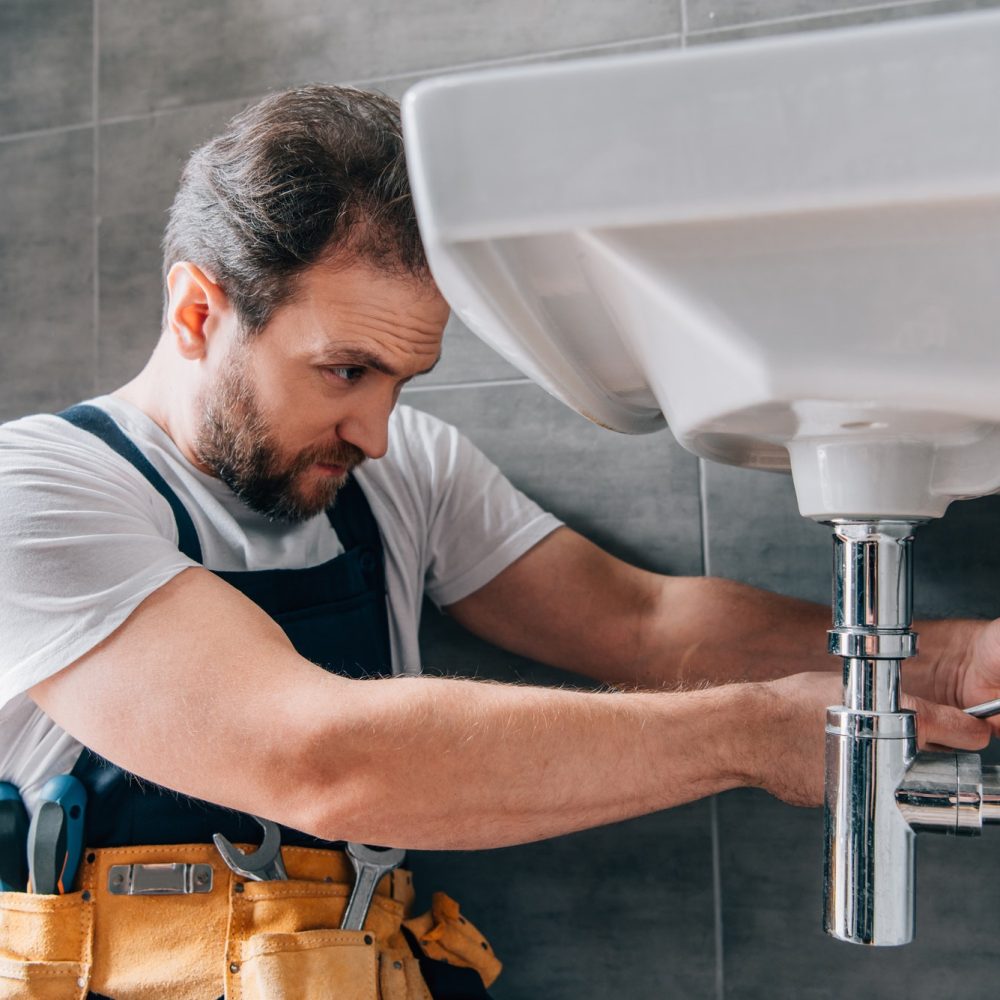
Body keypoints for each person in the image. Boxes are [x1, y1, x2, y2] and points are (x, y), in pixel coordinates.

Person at [0, 84, 995, 999]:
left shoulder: (402, 467)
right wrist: (746, 732)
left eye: (402, 381)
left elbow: (641, 622)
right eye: (345, 371)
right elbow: (314, 762)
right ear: (196, 311)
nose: (377, 433)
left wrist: (951, 660)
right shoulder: (38, 491)